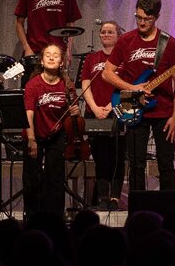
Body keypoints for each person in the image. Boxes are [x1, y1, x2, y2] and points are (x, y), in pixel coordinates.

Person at [103, 0, 175, 192]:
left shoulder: (168, 42)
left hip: (163, 112)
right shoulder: (126, 40)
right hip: (134, 109)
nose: (141, 23)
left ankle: (169, 207)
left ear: (156, 17)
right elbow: (107, 73)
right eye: (138, 17)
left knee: (166, 165)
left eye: (147, 19)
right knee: (136, 165)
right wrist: (133, 88)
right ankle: (138, 207)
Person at [23, 43, 76, 218]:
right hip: (35, 133)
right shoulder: (33, 84)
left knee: (56, 178)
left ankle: (55, 218)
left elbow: (71, 112)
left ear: (61, 62)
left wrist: (74, 112)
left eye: (56, 55)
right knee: (33, 177)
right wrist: (31, 139)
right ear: (42, 61)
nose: (52, 57)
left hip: (57, 134)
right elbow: (28, 114)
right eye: (48, 55)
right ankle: (32, 217)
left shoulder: (67, 84)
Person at [80, 21, 126, 208]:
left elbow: (127, 85)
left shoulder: (123, 58)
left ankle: (115, 197)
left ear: (118, 36)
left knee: (117, 157)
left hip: (117, 110)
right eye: (103, 32)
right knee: (100, 157)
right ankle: (102, 197)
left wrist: (111, 106)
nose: (106, 35)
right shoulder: (92, 58)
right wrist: (94, 107)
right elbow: (85, 83)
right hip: (94, 112)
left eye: (110, 32)